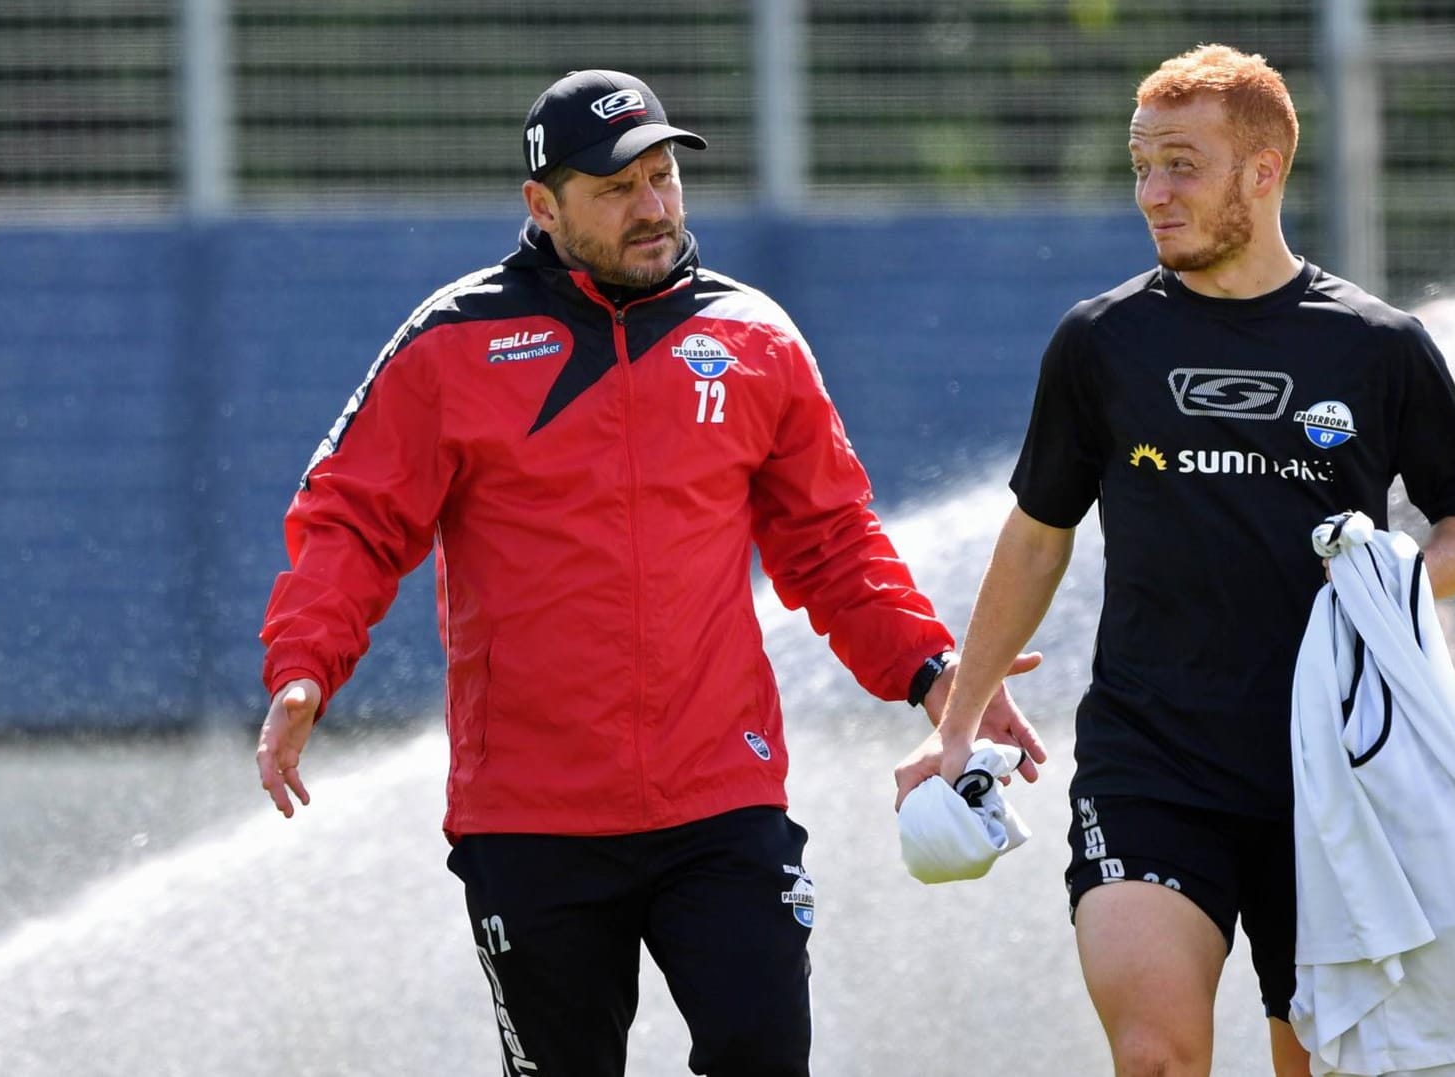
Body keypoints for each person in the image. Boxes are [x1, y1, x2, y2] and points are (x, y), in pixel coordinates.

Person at [253, 68, 1045, 1077]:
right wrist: (304, 666)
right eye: (618, 188)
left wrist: (938, 679)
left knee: (762, 1054)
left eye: (665, 176)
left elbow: (833, 543)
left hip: (724, 799)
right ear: (543, 207)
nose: (655, 206)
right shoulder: (451, 342)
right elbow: (351, 520)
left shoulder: (754, 336)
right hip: (530, 817)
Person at [896, 45, 1455, 1075]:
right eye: (1142, 165)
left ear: (1263, 170)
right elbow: (1036, 536)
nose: (1154, 192)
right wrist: (959, 724)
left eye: (1182, 165)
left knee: (1317, 1065)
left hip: (1331, 776)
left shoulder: (1377, 346)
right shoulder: (1100, 342)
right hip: (1151, 759)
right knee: (1156, 1055)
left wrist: (1383, 593)